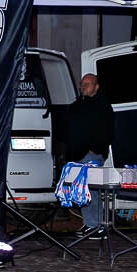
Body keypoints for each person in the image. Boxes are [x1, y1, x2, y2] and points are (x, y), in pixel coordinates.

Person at [55, 73, 115, 235]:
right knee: (81, 190)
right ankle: (91, 223)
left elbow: (109, 132)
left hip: (91, 155)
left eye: (87, 84)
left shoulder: (102, 106)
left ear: (96, 87)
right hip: (76, 155)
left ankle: (97, 225)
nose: (83, 87)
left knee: (90, 189)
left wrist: (94, 149)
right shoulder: (77, 105)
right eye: (82, 84)